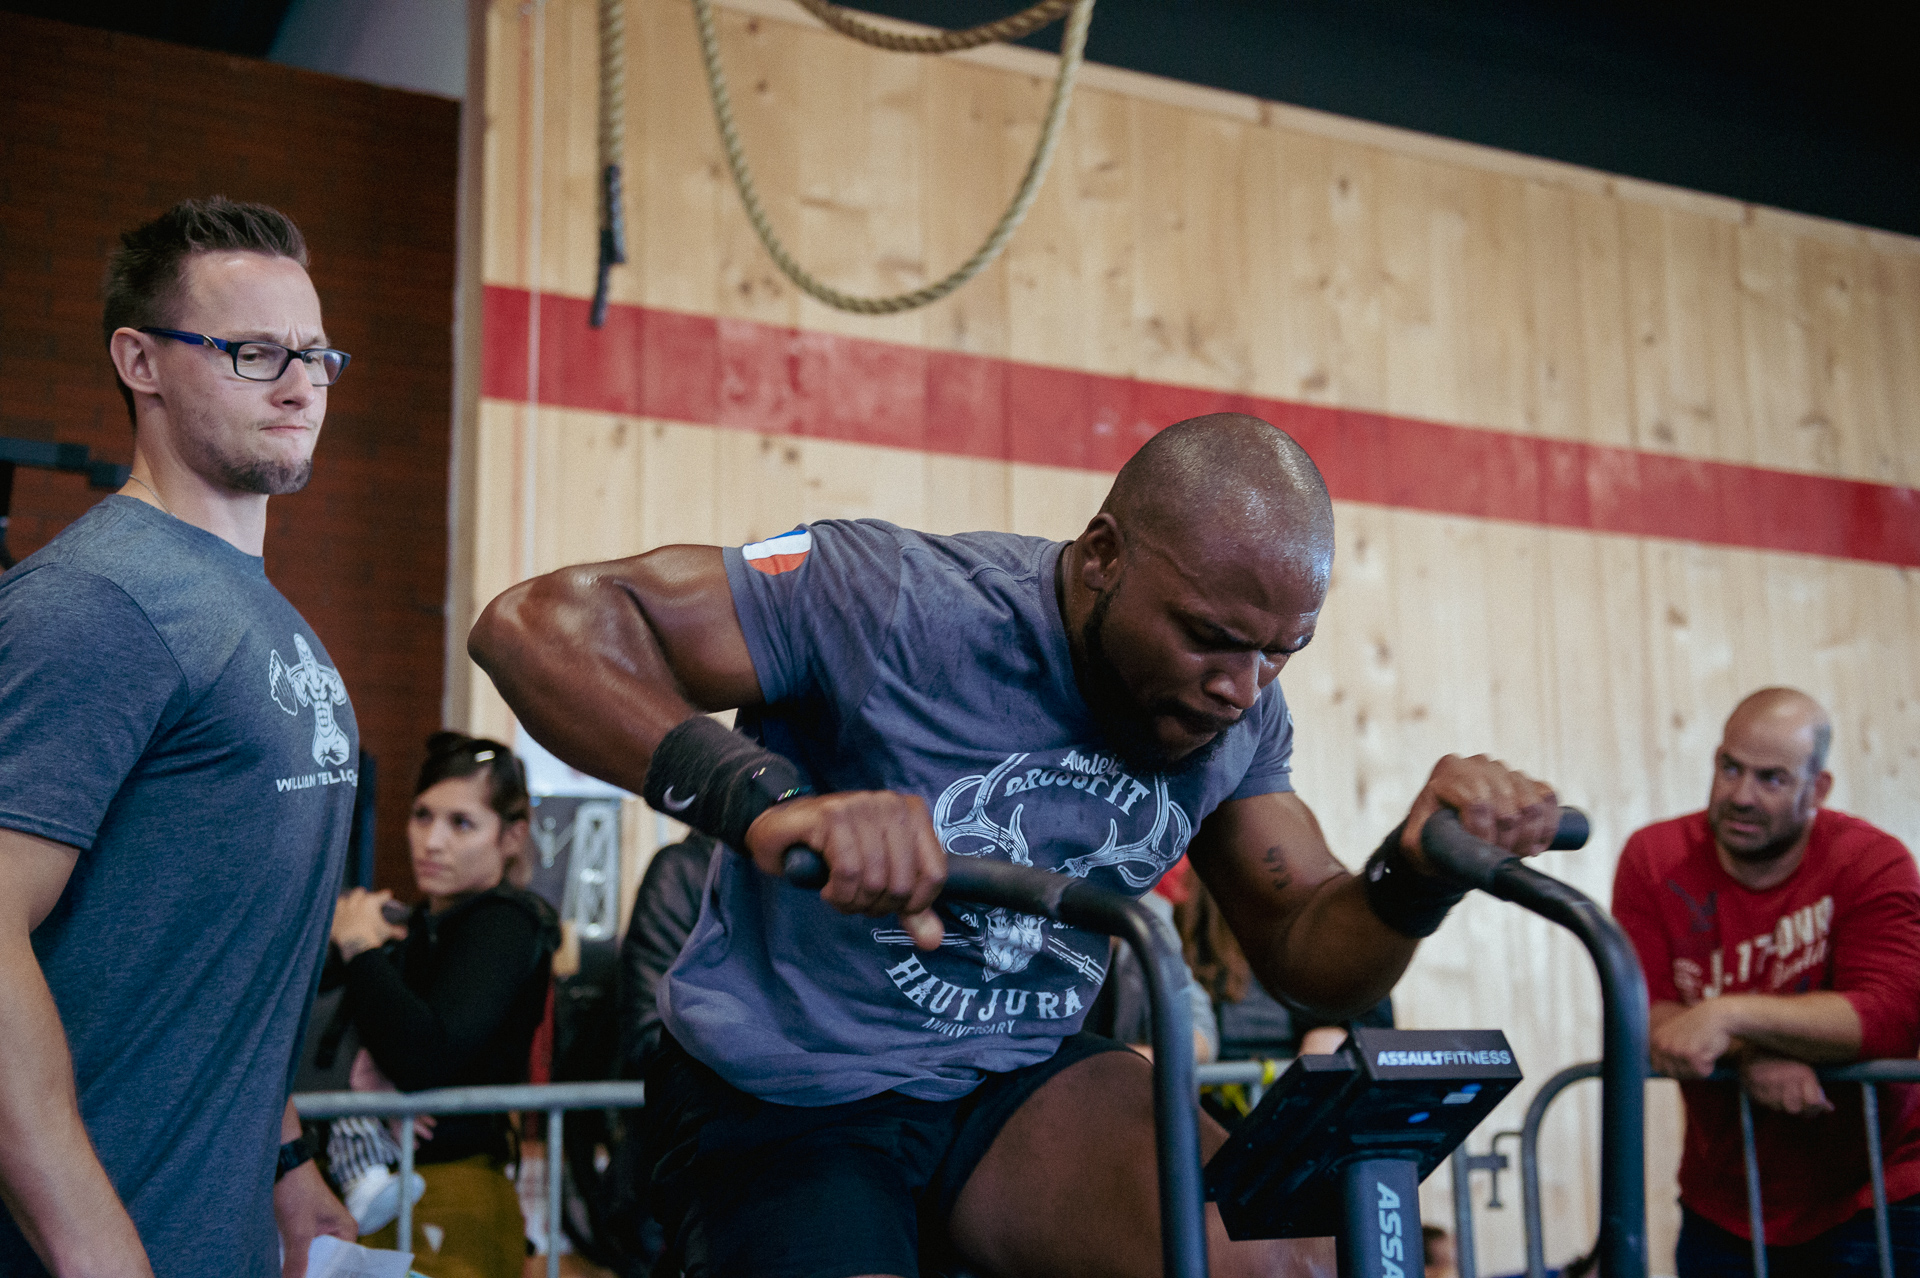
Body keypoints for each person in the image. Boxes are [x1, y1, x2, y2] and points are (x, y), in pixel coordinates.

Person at [468, 412, 1563, 1278]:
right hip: (790, 1093)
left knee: (1296, 1257)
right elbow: (535, 624)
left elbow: (1308, 945)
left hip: (1012, 1083)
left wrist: (1411, 873)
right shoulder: (896, 602)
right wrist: (760, 800)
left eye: (1282, 653)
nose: (1240, 688)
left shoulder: (1240, 714)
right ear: (1101, 557)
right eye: (1208, 639)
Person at [0, 197, 358, 1277]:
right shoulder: (97, 602)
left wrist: (285, 1158)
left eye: (316, 355)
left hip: (217, 1233)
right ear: (139, 361)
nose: (301, 385)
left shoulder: (246, 605)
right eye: (254, 353)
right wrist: (92, 1243)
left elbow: (220, 940)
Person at [1610, 688, 1920, 1276]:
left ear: (1817, 790)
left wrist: (1729, 1017)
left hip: (1878, 1191)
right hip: (1724, 1203)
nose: (1740, 796)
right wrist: (1752, 1057)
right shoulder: (1655, 859)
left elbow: (1890, 1017)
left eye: (1772, 779)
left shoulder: (1873, 861)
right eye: (1730, 767)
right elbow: (1645, 1018)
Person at [326, 732, 559, 1278]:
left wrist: (358, 945)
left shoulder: (505, 920)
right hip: (382, 1187)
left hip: (455, 1190)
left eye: (461, 823)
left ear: (511, 835)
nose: (431, 841)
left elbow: (426, 1053)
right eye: (422, 816)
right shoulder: (418, 927)